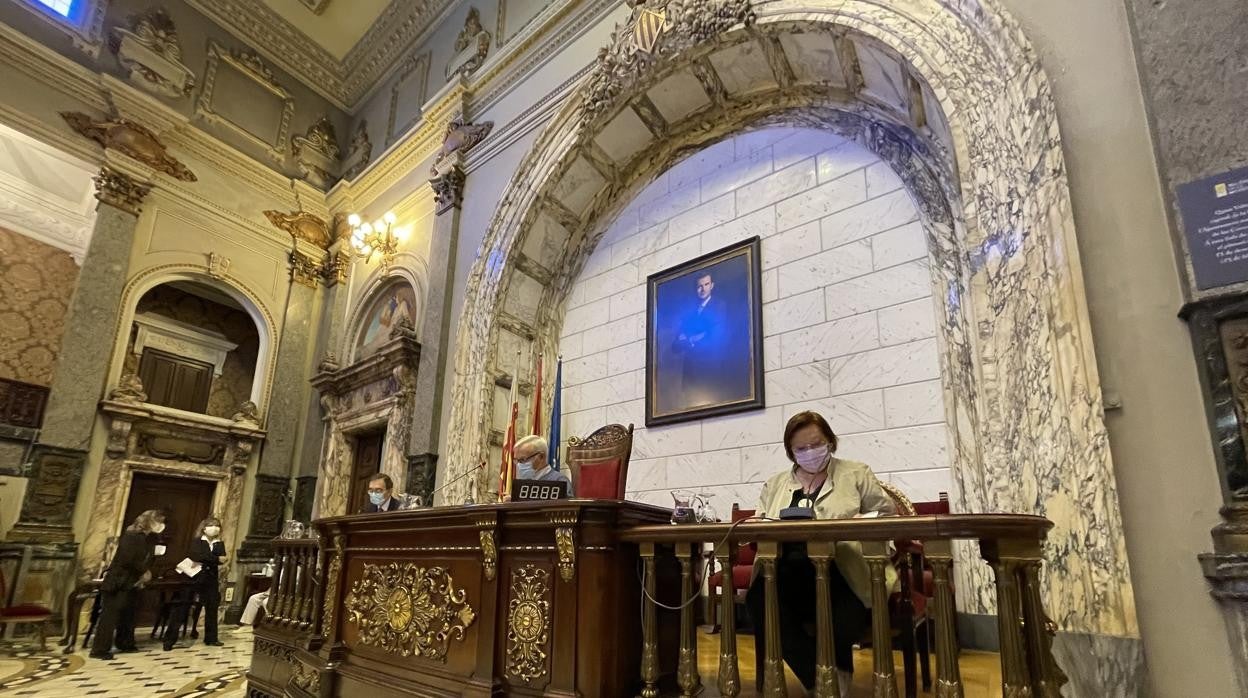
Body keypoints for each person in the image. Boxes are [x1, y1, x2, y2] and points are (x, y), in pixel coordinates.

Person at [745, 411, 896, 697]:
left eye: (816, 444)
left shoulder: (856, 472)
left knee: (842, 613)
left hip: (845, 571)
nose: (809, 453)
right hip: (785, 572)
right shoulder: (775, 483)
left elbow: (887, 515)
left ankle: (835, 671)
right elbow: (761, 522)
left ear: (830, 441)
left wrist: (861, 521)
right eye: (801, 449)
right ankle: (818, 678)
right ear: (791, 452)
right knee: (758, 600)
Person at [90, 509, 165, 660]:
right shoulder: (132, 536)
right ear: (149, 522)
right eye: (159, 521)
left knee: (128, 614)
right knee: (109, 616)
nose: (161, 525)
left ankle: (125, 643)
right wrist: (144, 571)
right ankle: (99, 649)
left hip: (132, 582)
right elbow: (127, 559)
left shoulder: (146, 538)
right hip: (119, 581)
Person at [164, 516, 227, 650]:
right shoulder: (197, 541)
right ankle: (169, 640)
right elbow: (196, 556)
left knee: (212, 607)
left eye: (217, 525)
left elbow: (223, 558)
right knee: (182, 607)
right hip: (194, 577)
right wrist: (215, 559)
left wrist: (213, 559)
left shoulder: (218, 543)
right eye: (211, 525)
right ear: (204, 528)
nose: (215, 528)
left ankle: (211, 638)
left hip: (211, 578)